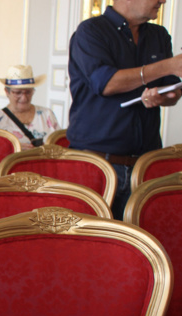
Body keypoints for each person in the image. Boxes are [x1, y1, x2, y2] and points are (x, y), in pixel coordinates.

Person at [68, 0, 182, 219]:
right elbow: (106, 83)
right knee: (93, 244)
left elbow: (171, 92)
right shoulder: (91, 31)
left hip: (145, 165)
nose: (163, 1)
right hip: (97, 164)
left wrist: (165, 96)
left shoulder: (159, 35)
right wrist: (168, 65)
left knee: (135, 245)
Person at [0, 64, 60, 149]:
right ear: (7, 92)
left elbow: (59, 145)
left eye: (28, 92)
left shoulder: (47, 114)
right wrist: (13, 148)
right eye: (18, 93)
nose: (24, 98)